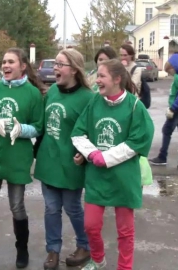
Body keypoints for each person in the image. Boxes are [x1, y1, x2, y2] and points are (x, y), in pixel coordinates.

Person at [71, 59, 154, 270]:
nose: (96, 80)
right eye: (97, 76)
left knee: (125, 230)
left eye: (101, 76)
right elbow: (78, 133)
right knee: (90, 226)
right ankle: (98, 261)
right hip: (97, 176)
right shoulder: (94, 102)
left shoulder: (135, 106)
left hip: (124, 177)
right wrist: (92, 154)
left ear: (117, 79)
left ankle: (124, 267)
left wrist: (106, 158)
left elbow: (139, 140)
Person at [0, 48, 45, 268]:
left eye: (11, 62)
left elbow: (38, 127)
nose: (5, 65)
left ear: (23, 66)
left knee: (17, 207)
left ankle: (21, 250)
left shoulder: (33, 94)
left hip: (18, 158)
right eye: (3, 61)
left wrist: (21, 129)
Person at [34, 49, 94, 270]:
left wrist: (86, 153)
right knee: (51, 209)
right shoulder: (51, 93)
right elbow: (41, 126)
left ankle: (84, 245)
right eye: (55, 64)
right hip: (48, 160)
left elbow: (92, 131)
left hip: (71, 163)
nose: (55, 68)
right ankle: (53, 251)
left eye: (60, 64)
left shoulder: (89, 98)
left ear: (74, 70)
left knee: (72, 207)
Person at [149, 53, 178, 166]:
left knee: (166, 130)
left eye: (169, 71)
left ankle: (163, 156)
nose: (170, 73)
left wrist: (173, 108)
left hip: (177, 109)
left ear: (174, 67)